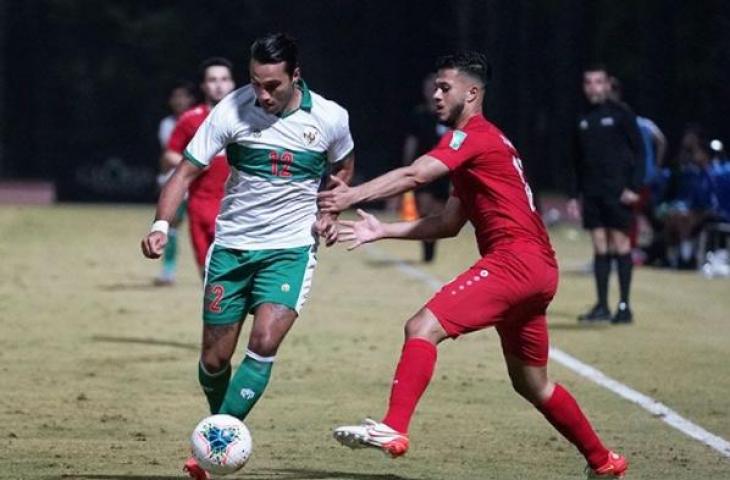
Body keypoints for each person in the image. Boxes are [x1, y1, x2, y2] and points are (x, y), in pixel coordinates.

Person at [319, 52, 627, 479]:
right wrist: (382, 231)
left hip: (515, 262)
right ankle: (603, 460)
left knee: (421, 326)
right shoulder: (479, 146)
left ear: (472, 92)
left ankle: (393, 427)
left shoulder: (473, 137)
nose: (437, 94)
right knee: (532, 384)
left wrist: (352, 196)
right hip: (537, 270)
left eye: (445, 87)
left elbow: (415, 175)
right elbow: (448, 223)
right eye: (436, 87)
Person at [141, 33, 354, 480]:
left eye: (272, 84)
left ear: (296, 75)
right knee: (215, 361)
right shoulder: (231, 110)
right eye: (256, 82)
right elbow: (182, 173)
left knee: (263, 343)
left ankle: (214, 445)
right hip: (233, 248)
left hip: (291, 249)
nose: (262, 94)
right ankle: (220, 431)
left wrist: (329, 211)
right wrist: (161, 225)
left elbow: (343, 165)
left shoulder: (331, 118)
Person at [567, 64, 644, 324]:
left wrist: (633, 187)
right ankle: (602, 306)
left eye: (598, 82)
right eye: (588, 82)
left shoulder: (621, 114)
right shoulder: (581, 118)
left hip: (618, 192)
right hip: (592, 193)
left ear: (607, 84)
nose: (593, 88)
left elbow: (640, 152)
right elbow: (576, 160)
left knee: (620, 245)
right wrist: (573, 195)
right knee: (599, 247)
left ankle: (624, 307)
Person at [163, 58, 236, 276]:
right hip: (201, 205)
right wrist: (192, 164)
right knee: (207, 274)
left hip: (236, 206)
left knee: (231, 271)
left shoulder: (249, 117)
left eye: (224, 79)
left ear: (232, 83)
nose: (219, 85)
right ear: (204, 86)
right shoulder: (190, 119)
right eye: (212, 80)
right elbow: (170, 153)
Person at [401, 73, 450, 262]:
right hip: (423, 170)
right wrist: (407, 166)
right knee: (424, 209)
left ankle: (431, 252)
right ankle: (426, 252)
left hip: (444, 171)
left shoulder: (447, 115)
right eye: (428, 88)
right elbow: (411, 142)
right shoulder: (419, 115)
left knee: (438, 214)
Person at [154, 81, 196, 285]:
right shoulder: (167, 124)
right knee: (171, 226)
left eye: (183, 96)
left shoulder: (202, 120)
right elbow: (167, 155)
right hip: (177, 182)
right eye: (175, 97)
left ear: (190, 99)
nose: (179, 101)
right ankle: (168, 272)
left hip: (201, 184)